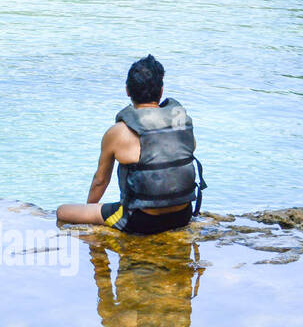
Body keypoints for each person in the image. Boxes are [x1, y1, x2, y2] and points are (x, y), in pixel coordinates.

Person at [56, 55, 206, 234]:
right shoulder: (181, 123)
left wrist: (90, 213)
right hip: (183, 215)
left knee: (62, 212)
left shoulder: (118, 131)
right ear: (161, 91)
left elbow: (100, 181)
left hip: (140, 219)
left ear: (128, 90)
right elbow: (187, 152)